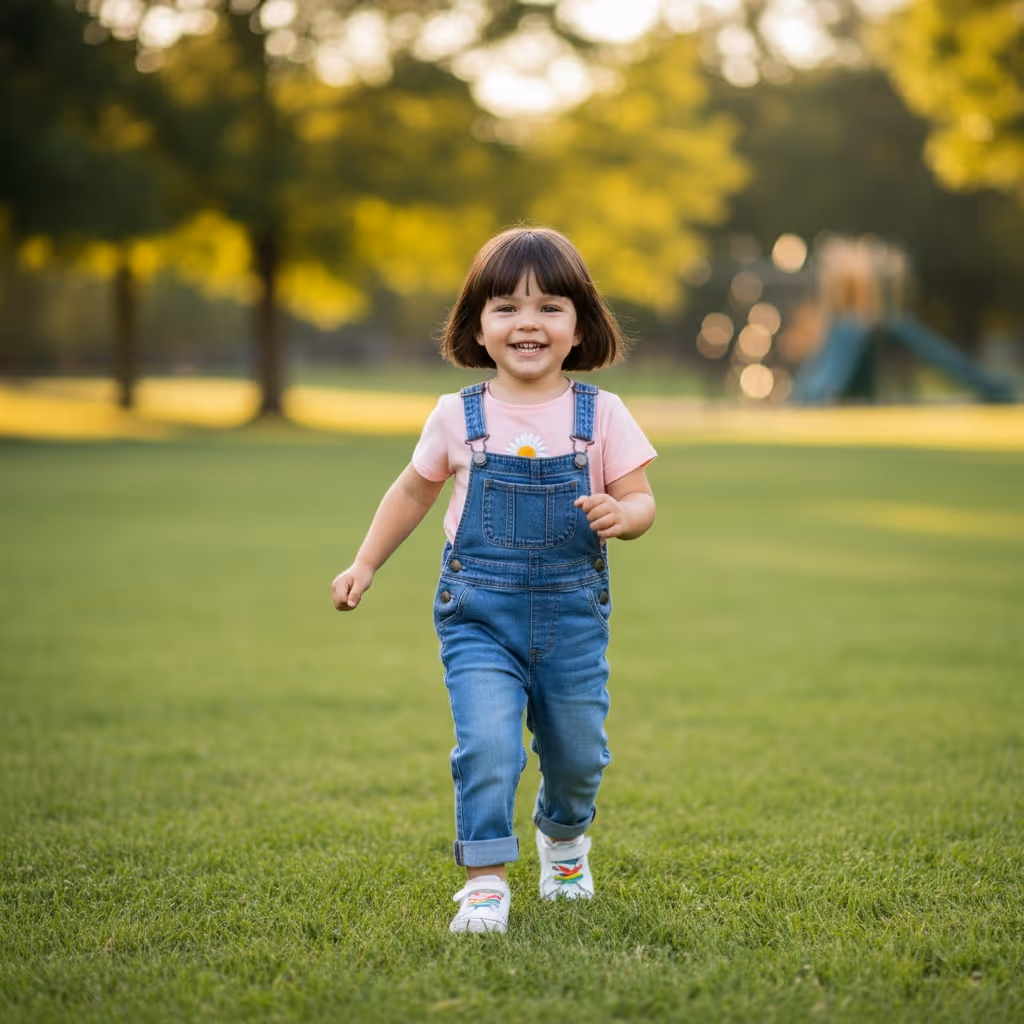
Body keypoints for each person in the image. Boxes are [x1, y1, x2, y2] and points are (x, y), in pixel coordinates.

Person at [331, 227, 656, 934]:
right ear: (477, 325)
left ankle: (564, 845)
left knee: (578, 754)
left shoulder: (600, 415)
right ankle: (484, 881)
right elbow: (413, 493)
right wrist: (364, 562)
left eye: (550, 307)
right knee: (487, 746)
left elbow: (642, 500)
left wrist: (622, 514)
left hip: (571, 618)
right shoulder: (457, 416)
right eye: (506, 307)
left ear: (581, 326)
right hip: (479, 612)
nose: (528, 323)